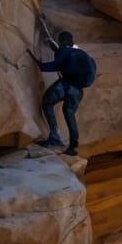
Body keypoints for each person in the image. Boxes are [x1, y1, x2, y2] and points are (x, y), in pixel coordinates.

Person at [30, 23, 97, 156]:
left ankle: (55, 137)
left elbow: (55, 65)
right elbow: (66, 58)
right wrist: (56, 49)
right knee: (69, 113)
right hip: (78, 91)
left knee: (47, 103)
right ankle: (73, 146)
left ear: (62, 41)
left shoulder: (64, 51)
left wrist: (40, 65)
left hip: (65, 85)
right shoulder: (82, 54)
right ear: (71, 42)